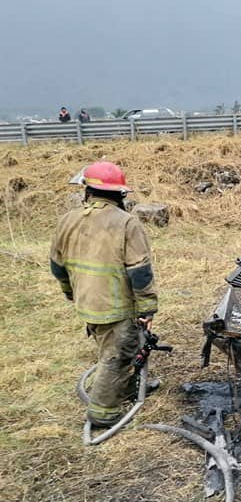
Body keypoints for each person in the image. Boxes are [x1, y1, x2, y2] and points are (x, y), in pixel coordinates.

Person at [50, 161, 159, 427]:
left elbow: (57, 265)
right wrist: (147, 309)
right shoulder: (126, 223)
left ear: (87, 191)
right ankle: (102, 414)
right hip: (116, 305)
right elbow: (140, 272)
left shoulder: (68, 220)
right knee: (116, 357)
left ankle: (128, 389)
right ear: (120, 194)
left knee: (121, 347)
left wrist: (70, 292)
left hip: (87, 302)